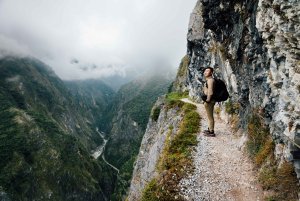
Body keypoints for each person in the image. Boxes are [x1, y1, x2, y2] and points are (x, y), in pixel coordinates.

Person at [202, 67, 216, 137]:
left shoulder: (210, 80)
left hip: (210, 101)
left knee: (210, 117)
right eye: (205, 71)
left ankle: (211, 132)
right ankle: (209, 128)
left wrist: (207, 100)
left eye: (207, 71)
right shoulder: (208, 80)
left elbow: (210, 91)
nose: (205, 72)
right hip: (210, 101)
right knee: (209, 116)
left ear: (211, 73)